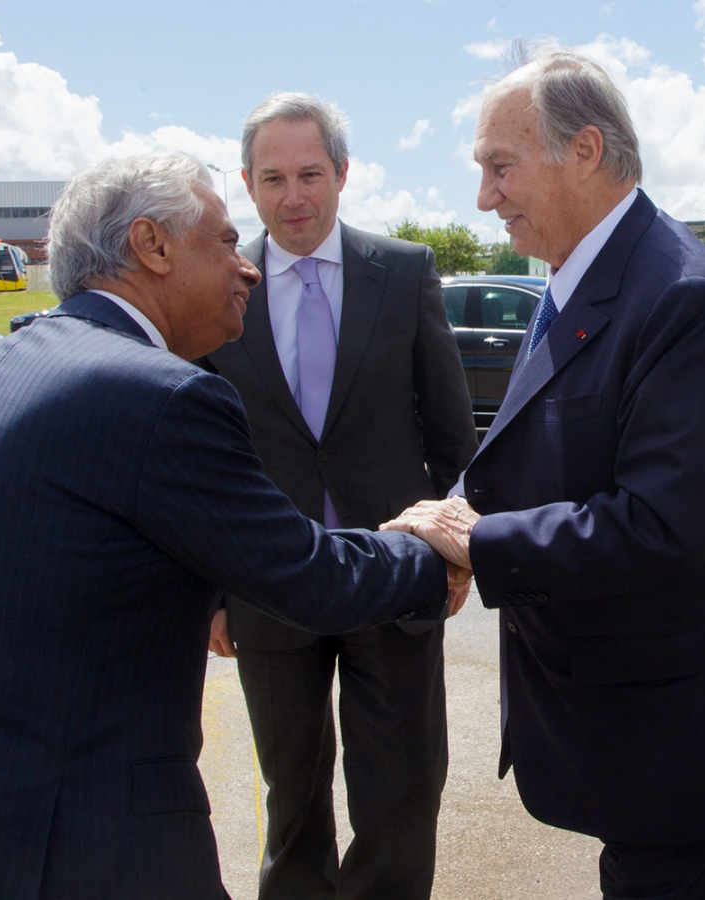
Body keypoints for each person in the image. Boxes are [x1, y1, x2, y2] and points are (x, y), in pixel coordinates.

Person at [0, 152, 461, 900]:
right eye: (227, 242)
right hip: (95, 852)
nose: (250, 269)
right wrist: (432, 547)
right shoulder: (163, 395)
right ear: (152, 245)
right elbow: (307, 576)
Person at [384, 48, 705, 900]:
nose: (484, 197)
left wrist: (479, 543)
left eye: (501, 166)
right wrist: (457, 510)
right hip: (643, 740)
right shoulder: (582, 275)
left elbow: (662, 524)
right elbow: (548, 443)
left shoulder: (683, 298)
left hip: (700, 747)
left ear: (585, 151)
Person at [201, 93, 476, 900]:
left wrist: (457, 552)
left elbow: (451, 435)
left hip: (390, 578)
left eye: (311, 174)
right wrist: (212, 590)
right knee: (292, 802)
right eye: (274, 177)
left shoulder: (406, 271)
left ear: (344, 175)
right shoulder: (221, 289)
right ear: (248, 185)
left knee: (402, 795)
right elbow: (200, 460)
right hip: (268, 585)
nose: (295, 197)